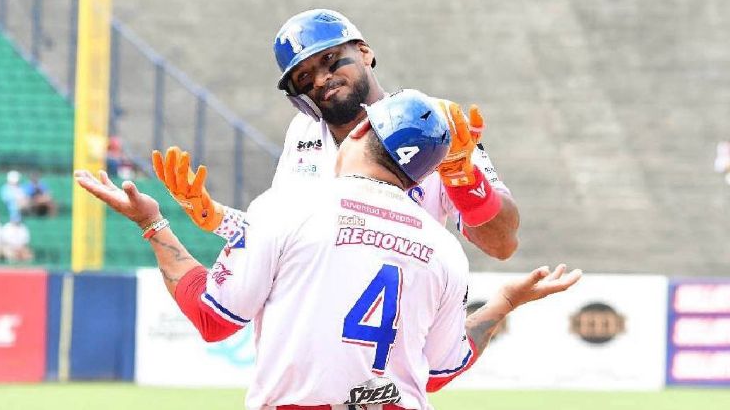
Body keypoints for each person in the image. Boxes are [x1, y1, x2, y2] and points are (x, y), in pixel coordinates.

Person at [75, 90, 581, 410]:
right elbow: (440, 371)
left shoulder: (288, 204)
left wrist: (153, 223)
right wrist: (505, 302)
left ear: (359, 130)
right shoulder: (445, 249)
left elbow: (214, 319)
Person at [156, 9, 519, 262]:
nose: (320, 79)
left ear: (364, 52)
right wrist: (215, 215)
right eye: (303, 77)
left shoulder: (432, 119)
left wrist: (462, 176)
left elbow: (501, 244)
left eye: (330, 59)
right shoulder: (302, 132)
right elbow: (278, 234)